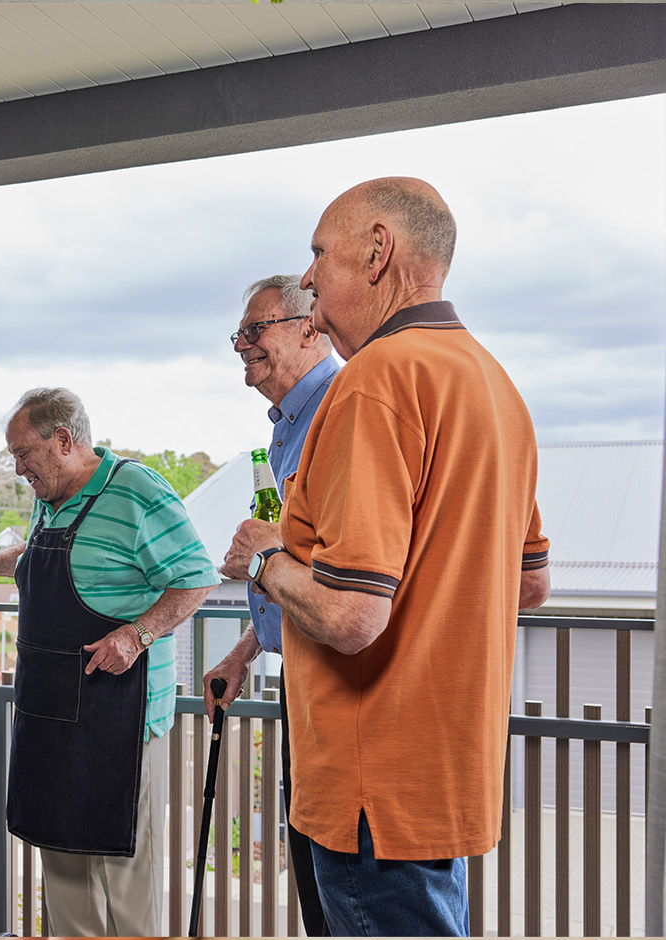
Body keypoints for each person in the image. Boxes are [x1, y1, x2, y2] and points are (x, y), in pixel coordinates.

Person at [222, 178, 551, 937]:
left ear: (378, 251)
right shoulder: (495, 385)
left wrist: (266, 560)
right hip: (444, 777)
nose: (308, 279)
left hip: (370, 791)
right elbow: (528, 585)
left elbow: (349, 615)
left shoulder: (374, 381)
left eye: (318, 255)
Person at [0, 387, 219, 937]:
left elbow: (196, 576)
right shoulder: (51, 497)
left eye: (24, 454)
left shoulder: (137, 490)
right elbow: (49, 550)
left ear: (63, 441)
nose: (18, 469)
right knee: (62, 872)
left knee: (125, 882)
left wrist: (137, 636)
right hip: (48, 718)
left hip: (121, 721)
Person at [203, 273, 337, 938]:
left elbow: (340, 563)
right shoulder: (289, 425)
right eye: (239, 333)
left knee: (344, 884)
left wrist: (261, 556)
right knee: (313, 867)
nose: (242, 345)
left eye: (258, 330)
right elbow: (294, 556)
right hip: (301, 675)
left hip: (342, 678)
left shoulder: (342, 408)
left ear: (310, 327)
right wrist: (246, 648)